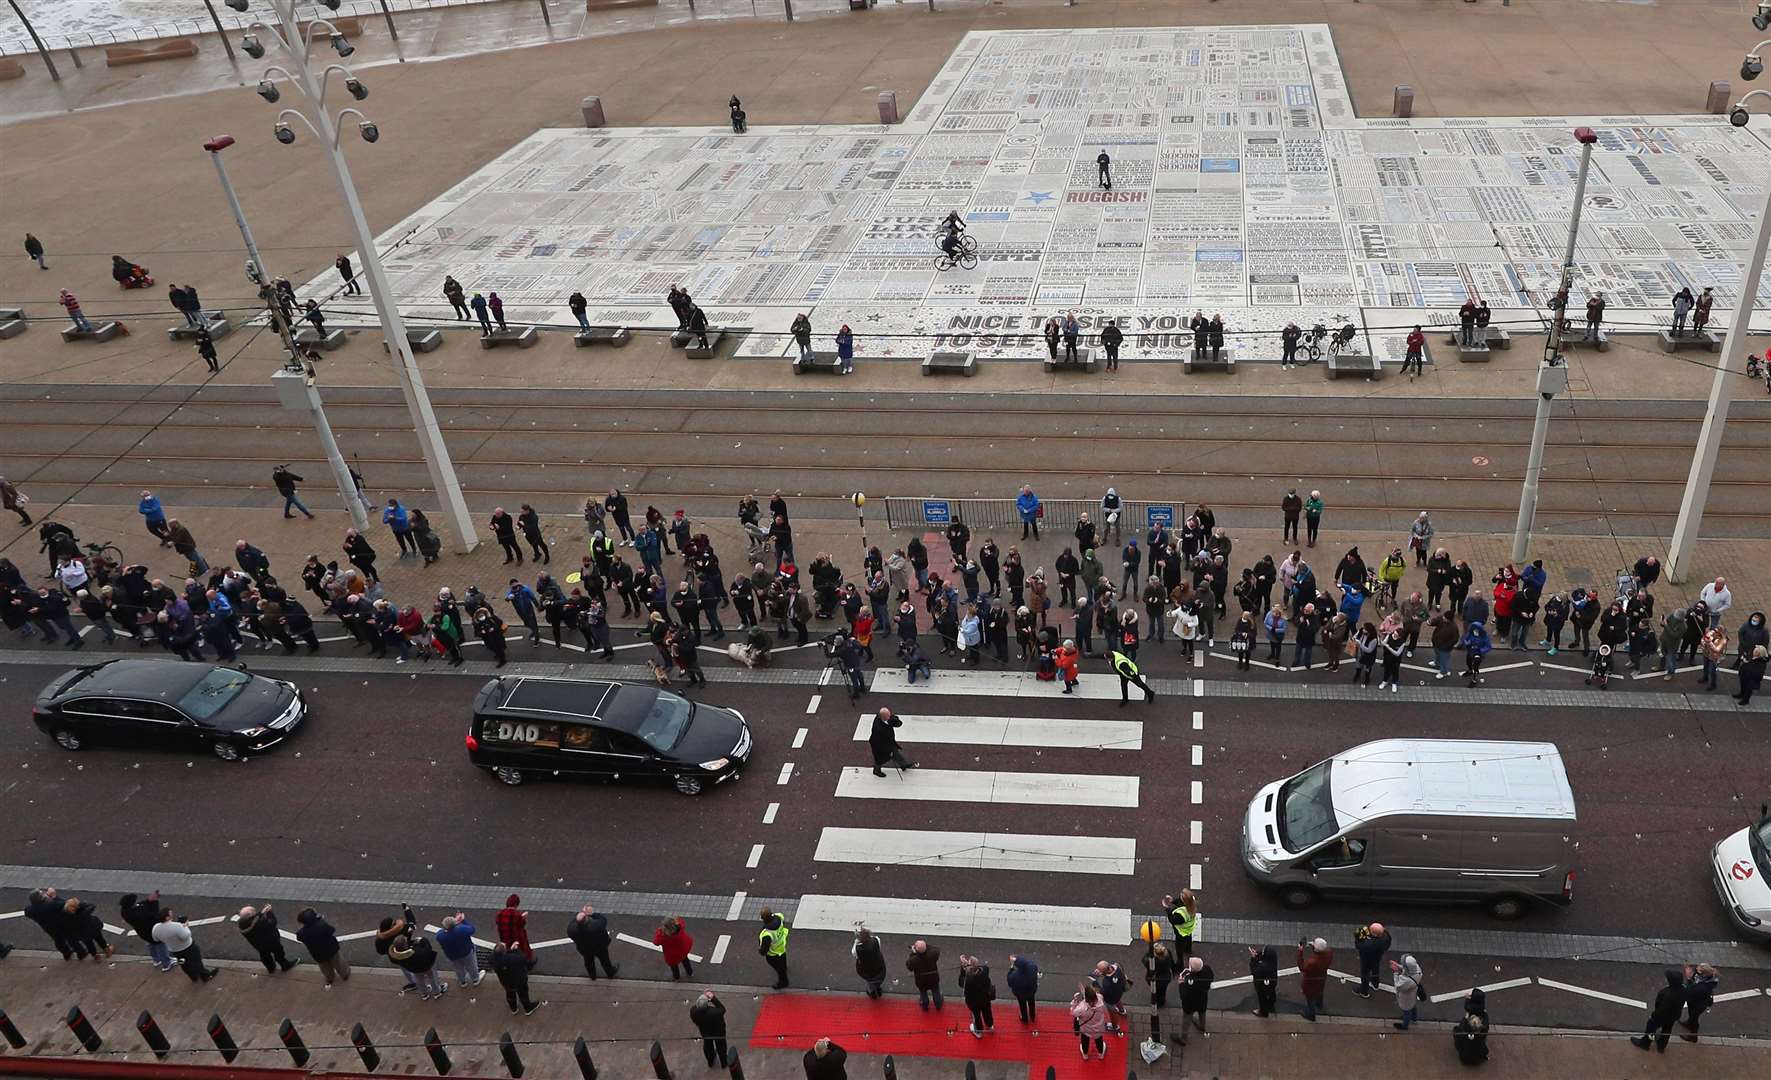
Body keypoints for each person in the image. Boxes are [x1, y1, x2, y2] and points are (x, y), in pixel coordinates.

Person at [155, 908, 218, 982]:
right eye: (170, 913)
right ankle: (205, 976)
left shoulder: (156, 928)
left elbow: (156, 939)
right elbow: (186, 936)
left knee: (185, 964)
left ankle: (193, 977)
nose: (172, 913)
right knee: (197, 962)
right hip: (188, 948)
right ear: (167, 917)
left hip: (175, 950)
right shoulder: (177, 926)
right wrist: (185, 927)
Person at [1632, 968, 1687, 1051]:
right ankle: (1662, 1045)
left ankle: (1645, 1043)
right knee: (1667, 1029)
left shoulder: (1666, 993)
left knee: (1651, 1028)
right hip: (1674, 1015)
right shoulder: (1683, 990)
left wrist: (1654, 1015)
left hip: (1661, 1016)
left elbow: (1660, 1006)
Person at [238, 905, 299, 974]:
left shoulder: (241, 925)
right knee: (279, 953)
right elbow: (273, 922)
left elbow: (253, 920)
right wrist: (270, 913)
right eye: (254, 912)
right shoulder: (261, 923)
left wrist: (261, 913)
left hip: (258, 945)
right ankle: (285, 965)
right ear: (251, 916)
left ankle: (271, 968)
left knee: (265, 956)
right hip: (272, 942)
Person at [296, 907, 348, 984]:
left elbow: (300, 938)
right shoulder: (322, 925)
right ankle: (344, 974)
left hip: (317, 953)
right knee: (338, 962)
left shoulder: (301, 932)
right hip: (331, 949)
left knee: (324, 966)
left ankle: (330, 978)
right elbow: (331, 930)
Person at [567, 904, 620, 979]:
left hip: (584, 949)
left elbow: (574, 922)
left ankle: (592, 975)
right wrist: (591, 913)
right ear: (586, 919)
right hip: (600, 947)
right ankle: (610, 973)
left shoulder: (571, 929)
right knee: (605, 960)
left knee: (588, 961)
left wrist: (581, 914)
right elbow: (603, 919)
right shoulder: (596, 926)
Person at [492, 943, 544, 1015]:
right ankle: (528, 1008)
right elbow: (523, 958)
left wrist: (510, 951)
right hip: (519, 980)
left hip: (505, 982)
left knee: (510, 993)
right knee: (523, 994)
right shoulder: (513, 959)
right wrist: (516, 950)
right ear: (504, 951)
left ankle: (513, 1008)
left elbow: (501, 956)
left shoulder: (493, 959)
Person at [435, 914, 483, 988]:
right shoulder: (461, 930)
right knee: (472, 966)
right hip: (466, 952)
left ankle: (462, 982)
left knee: (458, 969)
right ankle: (475, 979)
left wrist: (455, 922)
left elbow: (444, 930)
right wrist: (462, 921)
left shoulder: (440, 935)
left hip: (452, 955)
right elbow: (472, 929)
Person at [1175, 955, 1213, 1044]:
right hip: (1202, 999)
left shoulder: (1190, 981)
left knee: (1186, 1019)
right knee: (1202, 1013)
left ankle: (1183, 1038)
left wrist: (1180, 984)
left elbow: (1183, 995)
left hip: (1190, 1004)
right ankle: (1202, 1026)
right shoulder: (1207, 970)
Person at [869, 706, 915, 777]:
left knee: (895, 753)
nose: (890, 716)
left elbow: (898, 723)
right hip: (880, 745)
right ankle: (876, 770)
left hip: (888, 742)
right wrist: (888, 751)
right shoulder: (879, 729)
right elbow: (880, 743)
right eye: (888, 716)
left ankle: (903, 765)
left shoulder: (884, 717)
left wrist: (893, 720)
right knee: (880, 759)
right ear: (883, 717)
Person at [958, 955, 996, 1037]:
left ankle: (978, 1031)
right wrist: (970, 964)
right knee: (987, 1012)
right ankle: (990, 1025)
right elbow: (982, 967)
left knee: (976, 1016)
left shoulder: (969, 980)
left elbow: (961, 982)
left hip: (973, 1002)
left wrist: (963, 967)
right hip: (985, 998)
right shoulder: (985, 971)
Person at [1681, 963, 1719, 1040]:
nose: (1696, 968)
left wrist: (1688, 978)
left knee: (1694, 1018)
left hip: (1698, 1004)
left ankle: (1693, 1036)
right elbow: (1695, 980)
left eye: (1698, 969)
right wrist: (1691, 975)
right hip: (1696, 1001)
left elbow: (1690, 990)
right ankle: (1689, 1023)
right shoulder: (1705, 978)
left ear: (1703, 974)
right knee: (1692, 1015)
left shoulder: (1704, 987)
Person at [1071, 982, 1109, 1061]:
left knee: (1085, 1040)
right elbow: (1092, 998)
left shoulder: (1081, 1008)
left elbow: (1073, 1012)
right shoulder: (1100, 1000)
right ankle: (1100, 1054)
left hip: (1086, 1028)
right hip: (1098, 1027)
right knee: (1099, 1041)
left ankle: (1085, 1055)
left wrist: (1075, 1001)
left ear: (1086, 998)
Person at [1297, 937, 1332, 1021]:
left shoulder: (1312, 962)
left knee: (1310, 998)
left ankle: (1311, 1015)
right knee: (1319, 991)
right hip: (1321, 978)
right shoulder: (1329, 953)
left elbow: (1302, 967)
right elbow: (1320, 952)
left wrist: (1300, 951)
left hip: (1310, 982)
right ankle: (1319, 1005)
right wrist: (1314, 947)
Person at [691, 991, 729, 1067]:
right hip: (718, 1032)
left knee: (708, 1046)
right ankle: (724, 1062)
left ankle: (710, 1061)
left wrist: (704, 998)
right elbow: (722, 1009)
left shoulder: (693, 1011)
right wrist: (712, 998)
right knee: (721, 1046)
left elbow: (697, 1006)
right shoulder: (715, 1012)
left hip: (705, 1032)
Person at [1453, 988, 1490, 1065]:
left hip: (1465, 1058)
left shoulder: (1463, 1030)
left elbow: (1460, 1028)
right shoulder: (1483, 1032)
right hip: (1478, 1058)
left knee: (1456, 1031)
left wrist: (1465, 1018)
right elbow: (1486, 1020)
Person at [1354, 921, 1390, 997]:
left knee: (1365, 974)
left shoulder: (1367, 944)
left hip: (1366, 960)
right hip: (1377, 957)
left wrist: (1358, 938)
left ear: (1374, 933)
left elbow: (1359, 946)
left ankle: (1364, 991)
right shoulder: (1386, 938)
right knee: (1375, 969)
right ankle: (1375, 984)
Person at [906, 938, 943, 1009]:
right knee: (936, 992)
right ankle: (938, 1005)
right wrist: (925, 946)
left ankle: (925, 1005)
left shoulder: (914, 960)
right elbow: (936, 950)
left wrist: (913, 953)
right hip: (933, 978)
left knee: (923, 993)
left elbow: (909, 967)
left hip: (921, 981)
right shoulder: (933, 954)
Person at [758, 908, 790, 988]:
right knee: (783, 960)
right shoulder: (779, 917)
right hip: (781, 946)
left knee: (779, 968)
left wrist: (760, 950)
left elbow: (763, 951)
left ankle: (783, 982)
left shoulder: (767, 934)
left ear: (763, 918)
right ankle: (784, 968)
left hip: (773, 954)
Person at [1392, 954, 1424, 1030]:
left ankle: (1405, 1026)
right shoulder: (1417, 969)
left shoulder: (1406, 980)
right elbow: (1408, 969)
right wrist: (1398, 965)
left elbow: (1398, 985)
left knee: (1406, 1010)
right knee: (1413, 1005)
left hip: (1406, 997)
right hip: (1413, 993)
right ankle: (1414, 1018)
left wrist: (1395, 972)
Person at [1248, 944, 1279, 1017]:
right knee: (1272, 992)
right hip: (1272, 981)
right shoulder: (1273, 960)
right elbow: (1264, 956)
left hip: (1262, 985)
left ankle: (1263, 1012)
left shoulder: (1262, 967)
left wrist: (1253, 958)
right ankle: (1271, 1003)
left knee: (1262, 997)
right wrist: (1257, 954)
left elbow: (1254, 970)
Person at [1007, 953, 1039, 1022]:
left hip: (1021, 994)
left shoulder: (1015, 976)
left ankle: (1024, 1018)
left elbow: (1009, 982)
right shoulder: (1032, 966)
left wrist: (1011, 968)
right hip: (1031, 990)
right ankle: (1032, 1016)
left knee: (1022, 1006)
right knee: (1031, 1003)